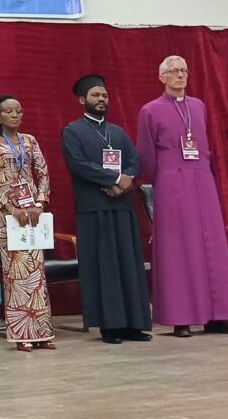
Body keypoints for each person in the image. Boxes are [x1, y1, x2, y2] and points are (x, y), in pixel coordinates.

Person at [136, 56, 228, 338]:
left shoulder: (198, 106)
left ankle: (217, 316)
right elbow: (146, 153)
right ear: (162, 77)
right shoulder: (150, 110)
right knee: (178, 248)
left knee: (212, 247)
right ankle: (180, 318)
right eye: (174, 71)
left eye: (184, 70)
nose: (180, 75)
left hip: (202, 178)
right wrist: (161, 179)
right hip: (171, 180)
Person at [61, 75, 152, 345]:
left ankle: (134, 324)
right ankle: (109, 326)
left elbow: (134, 161)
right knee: (103, 267)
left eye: (104, 96)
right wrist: (114, 179)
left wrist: (125, 182)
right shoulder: (72, 131)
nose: (101, 99)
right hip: (94, 209)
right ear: (82, 100)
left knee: (128, 265)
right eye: (95, 95)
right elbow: (78, 165)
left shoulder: (118, 132)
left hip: (122, 208)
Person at [0, 95, 55, 352]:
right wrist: (9, 207)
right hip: (6, 213)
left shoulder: (30, 140)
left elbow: (43, 172)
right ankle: (21, 333)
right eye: (9, 111)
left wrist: (40, 203)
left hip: (32, 212)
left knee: (37, 272)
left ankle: (42, 332)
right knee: (15, 272)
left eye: (19, 111)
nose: (15, 115)